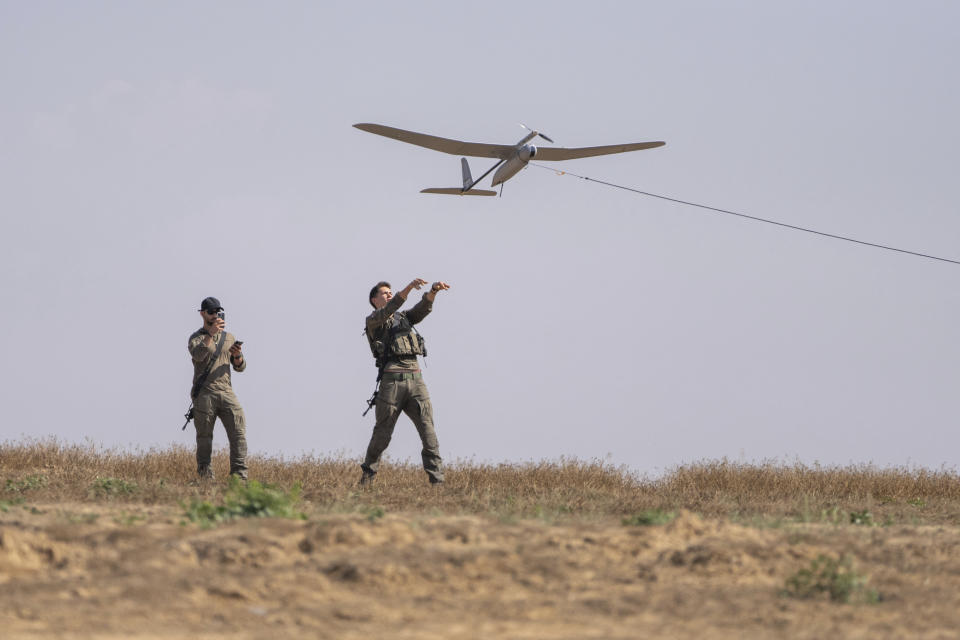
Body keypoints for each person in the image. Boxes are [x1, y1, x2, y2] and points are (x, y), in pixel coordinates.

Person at [361, 278, 450, 486]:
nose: (389, 294)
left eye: (390, 291)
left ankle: (437, 483)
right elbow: (391, 308)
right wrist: (408, 288)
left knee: (429, 433)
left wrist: (433, 292)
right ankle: (367, 479)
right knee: (382, 435)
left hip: (416, 379)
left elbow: (420, 310)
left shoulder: (404, 317)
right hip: (392, 382)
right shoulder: (374, 319)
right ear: (375, 300)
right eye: (384, 293)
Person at [187, 296, 248, 480]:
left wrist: (237, 357)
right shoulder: (196, 338)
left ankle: (239, 478)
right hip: (205, 394)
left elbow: (240, 367)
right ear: (203, 314)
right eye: (211, 312)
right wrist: (210, 335)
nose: (215, 315)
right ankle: (206, 477)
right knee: (204, 438)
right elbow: (198, 356)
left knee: (238, 433)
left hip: (226, 391)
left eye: (218, 312)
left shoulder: (229, 337)